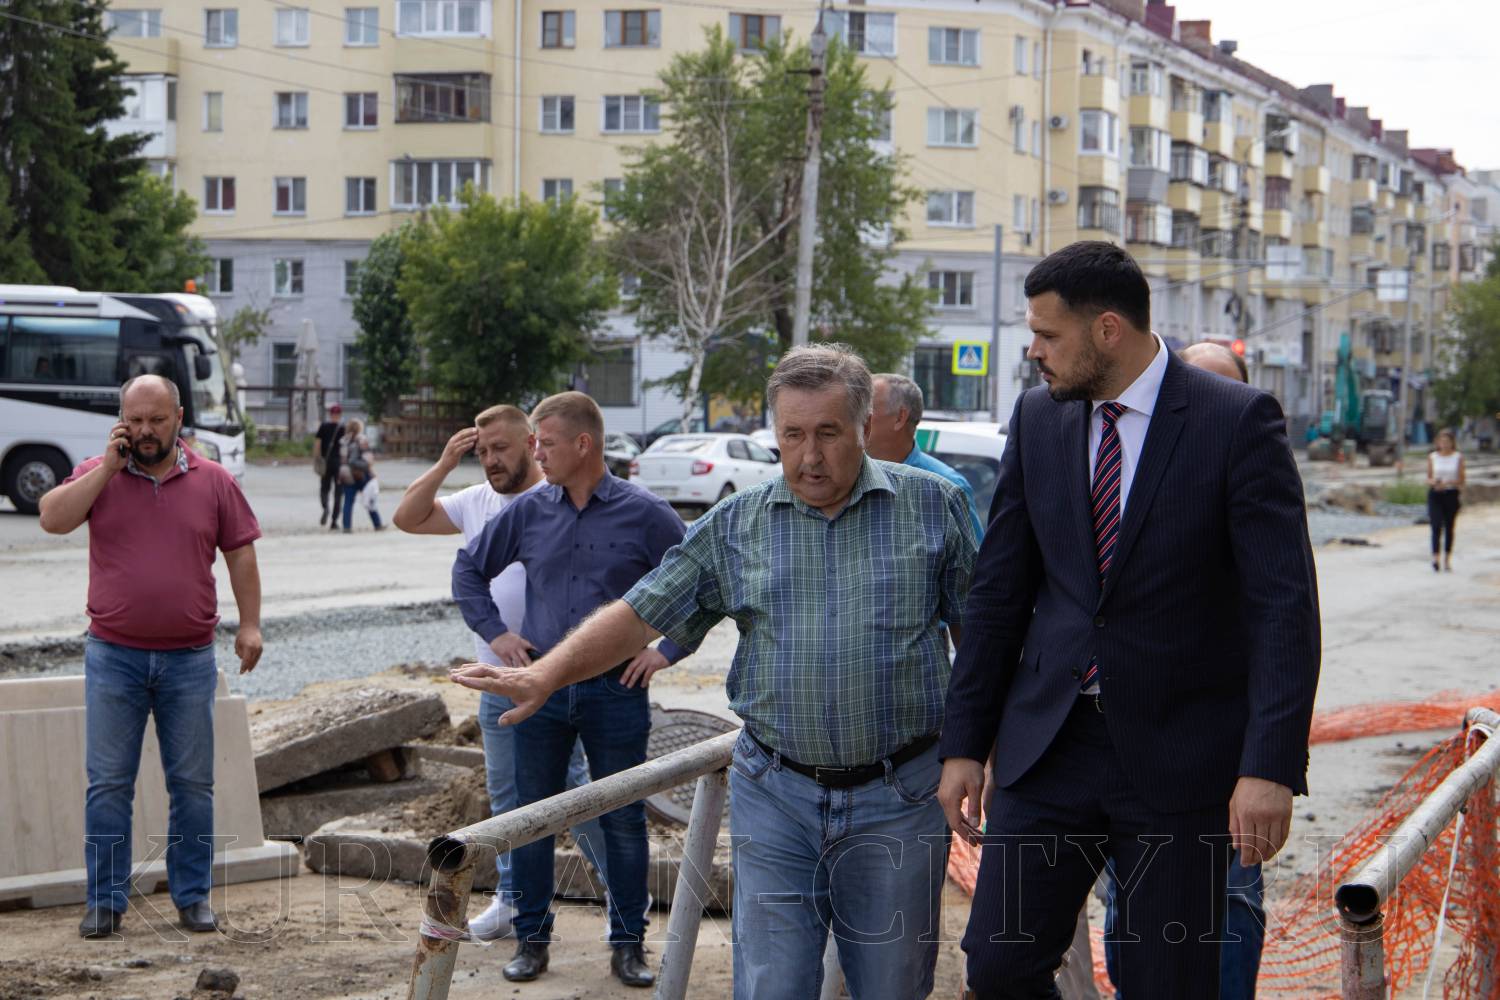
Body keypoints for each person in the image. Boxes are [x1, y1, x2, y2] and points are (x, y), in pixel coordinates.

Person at [452, 345, 979, 1000]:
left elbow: (979, 638)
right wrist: (547, 675)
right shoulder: (737, 523)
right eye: (792, 435)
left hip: (899, 798)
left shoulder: (933, 506)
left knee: (891, 985)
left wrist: (975, 748)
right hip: (778, 797)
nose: (809, 457)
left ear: (864, 427)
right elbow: (641, 612)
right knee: (771, 986)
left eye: (828, 433)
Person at [937, 242, 1320, 999]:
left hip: (1180, 757)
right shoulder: (1039, 418)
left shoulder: (1235, 421)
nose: (1035, 352)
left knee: (1164, 981)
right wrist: (965, 743)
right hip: (1051, 747)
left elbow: (1284, 609)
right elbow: (999, 592)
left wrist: (1269, 766)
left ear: (1107, 329)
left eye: (1048, 335)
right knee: (1000, 965)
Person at [450, 391, 690, 989]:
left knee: (622, 818)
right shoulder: (530, 512)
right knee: (532, 815)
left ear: (584, 444)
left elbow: (700, 584)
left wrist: (665, 651)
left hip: (616, 692)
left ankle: (628, 945)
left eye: (547, 443)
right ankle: (531, 942)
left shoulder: (645, 513)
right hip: (541, 690)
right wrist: (497, 634)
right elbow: (468, 569)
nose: (537, 454)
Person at [39, 374, 264, 939]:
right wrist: (106, 471)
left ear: (178, 418)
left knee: (192, 785)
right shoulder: (98, 473)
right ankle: (105, 902)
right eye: (134, 420)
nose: (145, 431)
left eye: (156, 420)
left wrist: (251, 624)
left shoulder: (213, 480)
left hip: (189, 659)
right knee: (108, 785)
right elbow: (52, 519)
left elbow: (240, 554)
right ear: (121, 420)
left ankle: (193, 898)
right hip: (113, 656)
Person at [392, 405, 610, 942]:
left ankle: (622, 894)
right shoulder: (475, 502)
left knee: (576, 792)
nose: (490, 460)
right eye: (482, 452)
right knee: (507, 795)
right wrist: (445, 464)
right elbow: (407, 517)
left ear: (531, 444)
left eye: (500, 449)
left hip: (553, 674)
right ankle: (513, 902)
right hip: (495, 678)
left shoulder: (556, 499)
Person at [1094, 339, 1266, 1000]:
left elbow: (1279, 626)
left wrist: (1264, 763)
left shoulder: (1251, 481)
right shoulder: (1122, 481)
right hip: (1134, 753)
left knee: (1228, 900)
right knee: (1132, 902)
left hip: (1221, 752)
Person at [866, 372, 985, 539]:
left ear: (900, 417)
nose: (856, 418)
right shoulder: (846, 477)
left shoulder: (947, 488)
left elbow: (975, 554)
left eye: (867, 409)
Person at [1426, 428, 1464, 572]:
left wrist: (1447, 483)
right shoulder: (1433, 457)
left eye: (1447, 442)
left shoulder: (1457, 457)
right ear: (1438, 443)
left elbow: (1461, 479)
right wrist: (1434, 482)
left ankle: (1447, 558)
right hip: (1435, 494)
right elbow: (1428, 477)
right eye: (1441, 442)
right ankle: (1435, 558)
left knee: (1449, 526)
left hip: (1451, 494)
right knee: (1435, 525)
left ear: (1452, 443)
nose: (1444, 444)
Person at [337, 419, 380, 532]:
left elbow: (341, 459)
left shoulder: (343, 441)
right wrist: (369, 468)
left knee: (348, 501)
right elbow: (368, 459)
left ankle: (347, 526)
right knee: (369, 498)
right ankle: (377, 524)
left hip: (346, 475)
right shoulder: (361, 439)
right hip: (361, 475)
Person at [313, 402, 344, 526]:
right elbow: (346, 447)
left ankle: (325, 507)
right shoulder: (343, 428)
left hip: (325, 462)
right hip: (339, 464)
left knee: (324, 488)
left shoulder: (324, 426)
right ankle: (334, 521)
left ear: (330, 414)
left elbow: (317, 444)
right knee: (338, 492)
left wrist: (317, 459)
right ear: (340, 415)